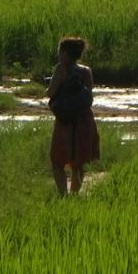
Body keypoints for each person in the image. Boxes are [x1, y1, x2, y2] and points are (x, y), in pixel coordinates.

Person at [46, 35, 100, 194]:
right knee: (79, 162)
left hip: (65, 120)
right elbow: (89, 95)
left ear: (64, 53)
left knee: (57, 161)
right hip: (84, 119)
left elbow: (51, 92)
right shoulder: (86, 71)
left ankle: (63, 195)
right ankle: (75, 194)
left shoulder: (61, 68)